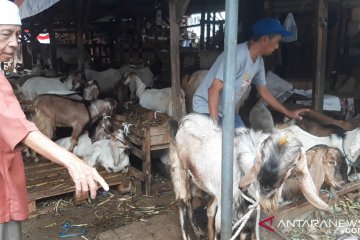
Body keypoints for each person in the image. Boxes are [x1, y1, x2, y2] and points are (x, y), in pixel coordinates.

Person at [0, 1, 109, 239]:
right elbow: (24, 130)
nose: (14, 43)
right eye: (6, 34)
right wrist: (74, 162)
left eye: (17, 35)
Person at [192, 17, 309, 128]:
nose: (277, 47)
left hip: (226, 112)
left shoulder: (258, 62)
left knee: (244, 141)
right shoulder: (237, 55)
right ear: (264, 39)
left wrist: (289, 113)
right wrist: (215, 127)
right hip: (206, 109)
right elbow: (213, 90)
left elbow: (264, 92)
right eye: (276, 41)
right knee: (229, 144)